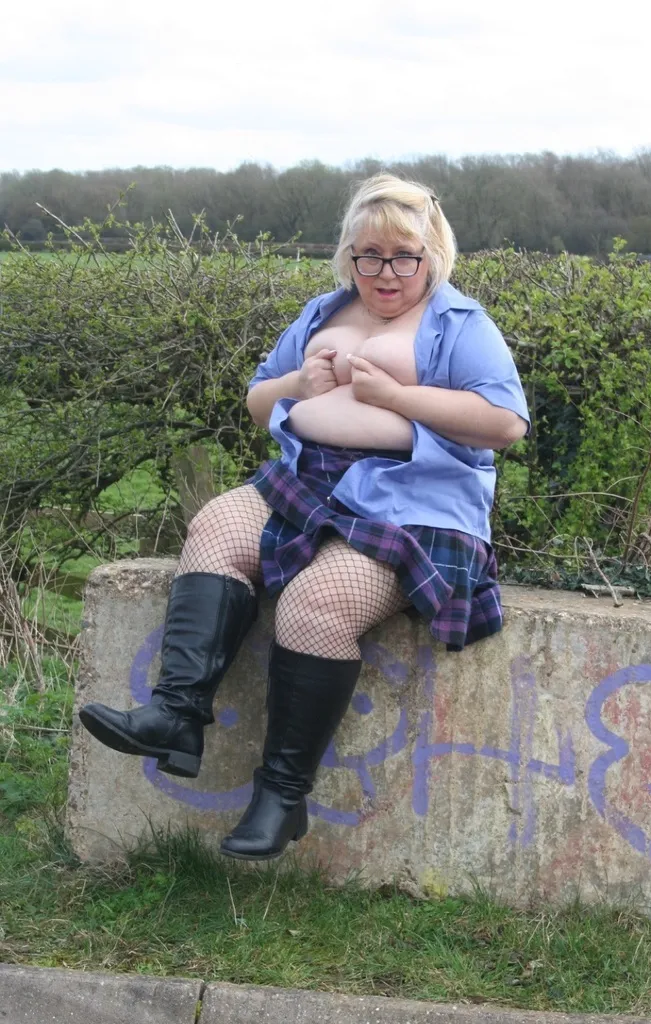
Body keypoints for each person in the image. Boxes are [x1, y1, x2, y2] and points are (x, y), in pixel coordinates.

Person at [79, 173, 530, 862]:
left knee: (317, 603)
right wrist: (298, 383)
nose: (385, 273)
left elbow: (504, 423)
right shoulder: (324, 311)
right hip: (307, 483)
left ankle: (281, 795)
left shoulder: (461, 325)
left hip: (413, 506)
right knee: (216, 528)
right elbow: (260, 400)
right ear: (349, 255)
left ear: (431, 254)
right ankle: (176, 715)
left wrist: (398, 397)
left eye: (402, 256)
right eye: (368, 255)